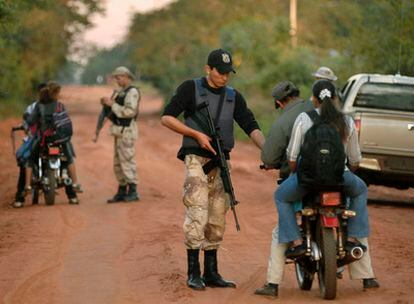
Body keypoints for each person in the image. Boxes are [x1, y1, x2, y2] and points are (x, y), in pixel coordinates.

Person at [255, 80, 379, 297]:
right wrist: (345, 170)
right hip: (340, 178)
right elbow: (355, 160)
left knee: (281, 197)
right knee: (360, 191)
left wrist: (296, 172)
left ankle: (285, 260)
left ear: (313, 99)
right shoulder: (347, 122)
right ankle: (357, 251)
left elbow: (292, 157)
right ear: (335, 99)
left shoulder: (304, 118)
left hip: (308, 180)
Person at [161, 48, 265, 290]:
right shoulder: (191, 88)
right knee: (197, 212)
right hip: (197, 159)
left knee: (217, 216)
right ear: (208, 69)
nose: (225, 77)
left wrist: (268, 149)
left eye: (229, 73)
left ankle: (211, 272)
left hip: (221, 163)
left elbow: (250, 125)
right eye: (221, 72)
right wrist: (195, 134)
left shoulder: (233, 96)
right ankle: (193, 272)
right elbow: (167, 117)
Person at [25, 81, 81, 204]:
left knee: (30, 158)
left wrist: (26, 118)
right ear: (55, 93)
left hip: (44, 139)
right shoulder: (60, 105)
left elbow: (31, 121)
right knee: (69, 158)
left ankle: (27, 186)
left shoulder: (39, 106)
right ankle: (75, 184)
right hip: (61, 139)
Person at [101, 66, 140, 203]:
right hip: (119, 130)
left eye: (118, 77)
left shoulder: (132, 92)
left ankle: (133, 191)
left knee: (127, 160)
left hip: (127, 131)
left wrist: (113, 105)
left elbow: (130, 111)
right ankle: (122, 190)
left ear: (125, 76)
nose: (117, 80)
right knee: (118, 162)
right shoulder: (121, 92)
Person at [12, 83, 47, 208]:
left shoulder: (32, 107)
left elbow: (27, 124)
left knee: (25, 160)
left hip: (35, 140)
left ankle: (20, 197)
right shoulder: (57, 106)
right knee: (66, 158)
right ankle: (72, 194)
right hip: (52, 140)